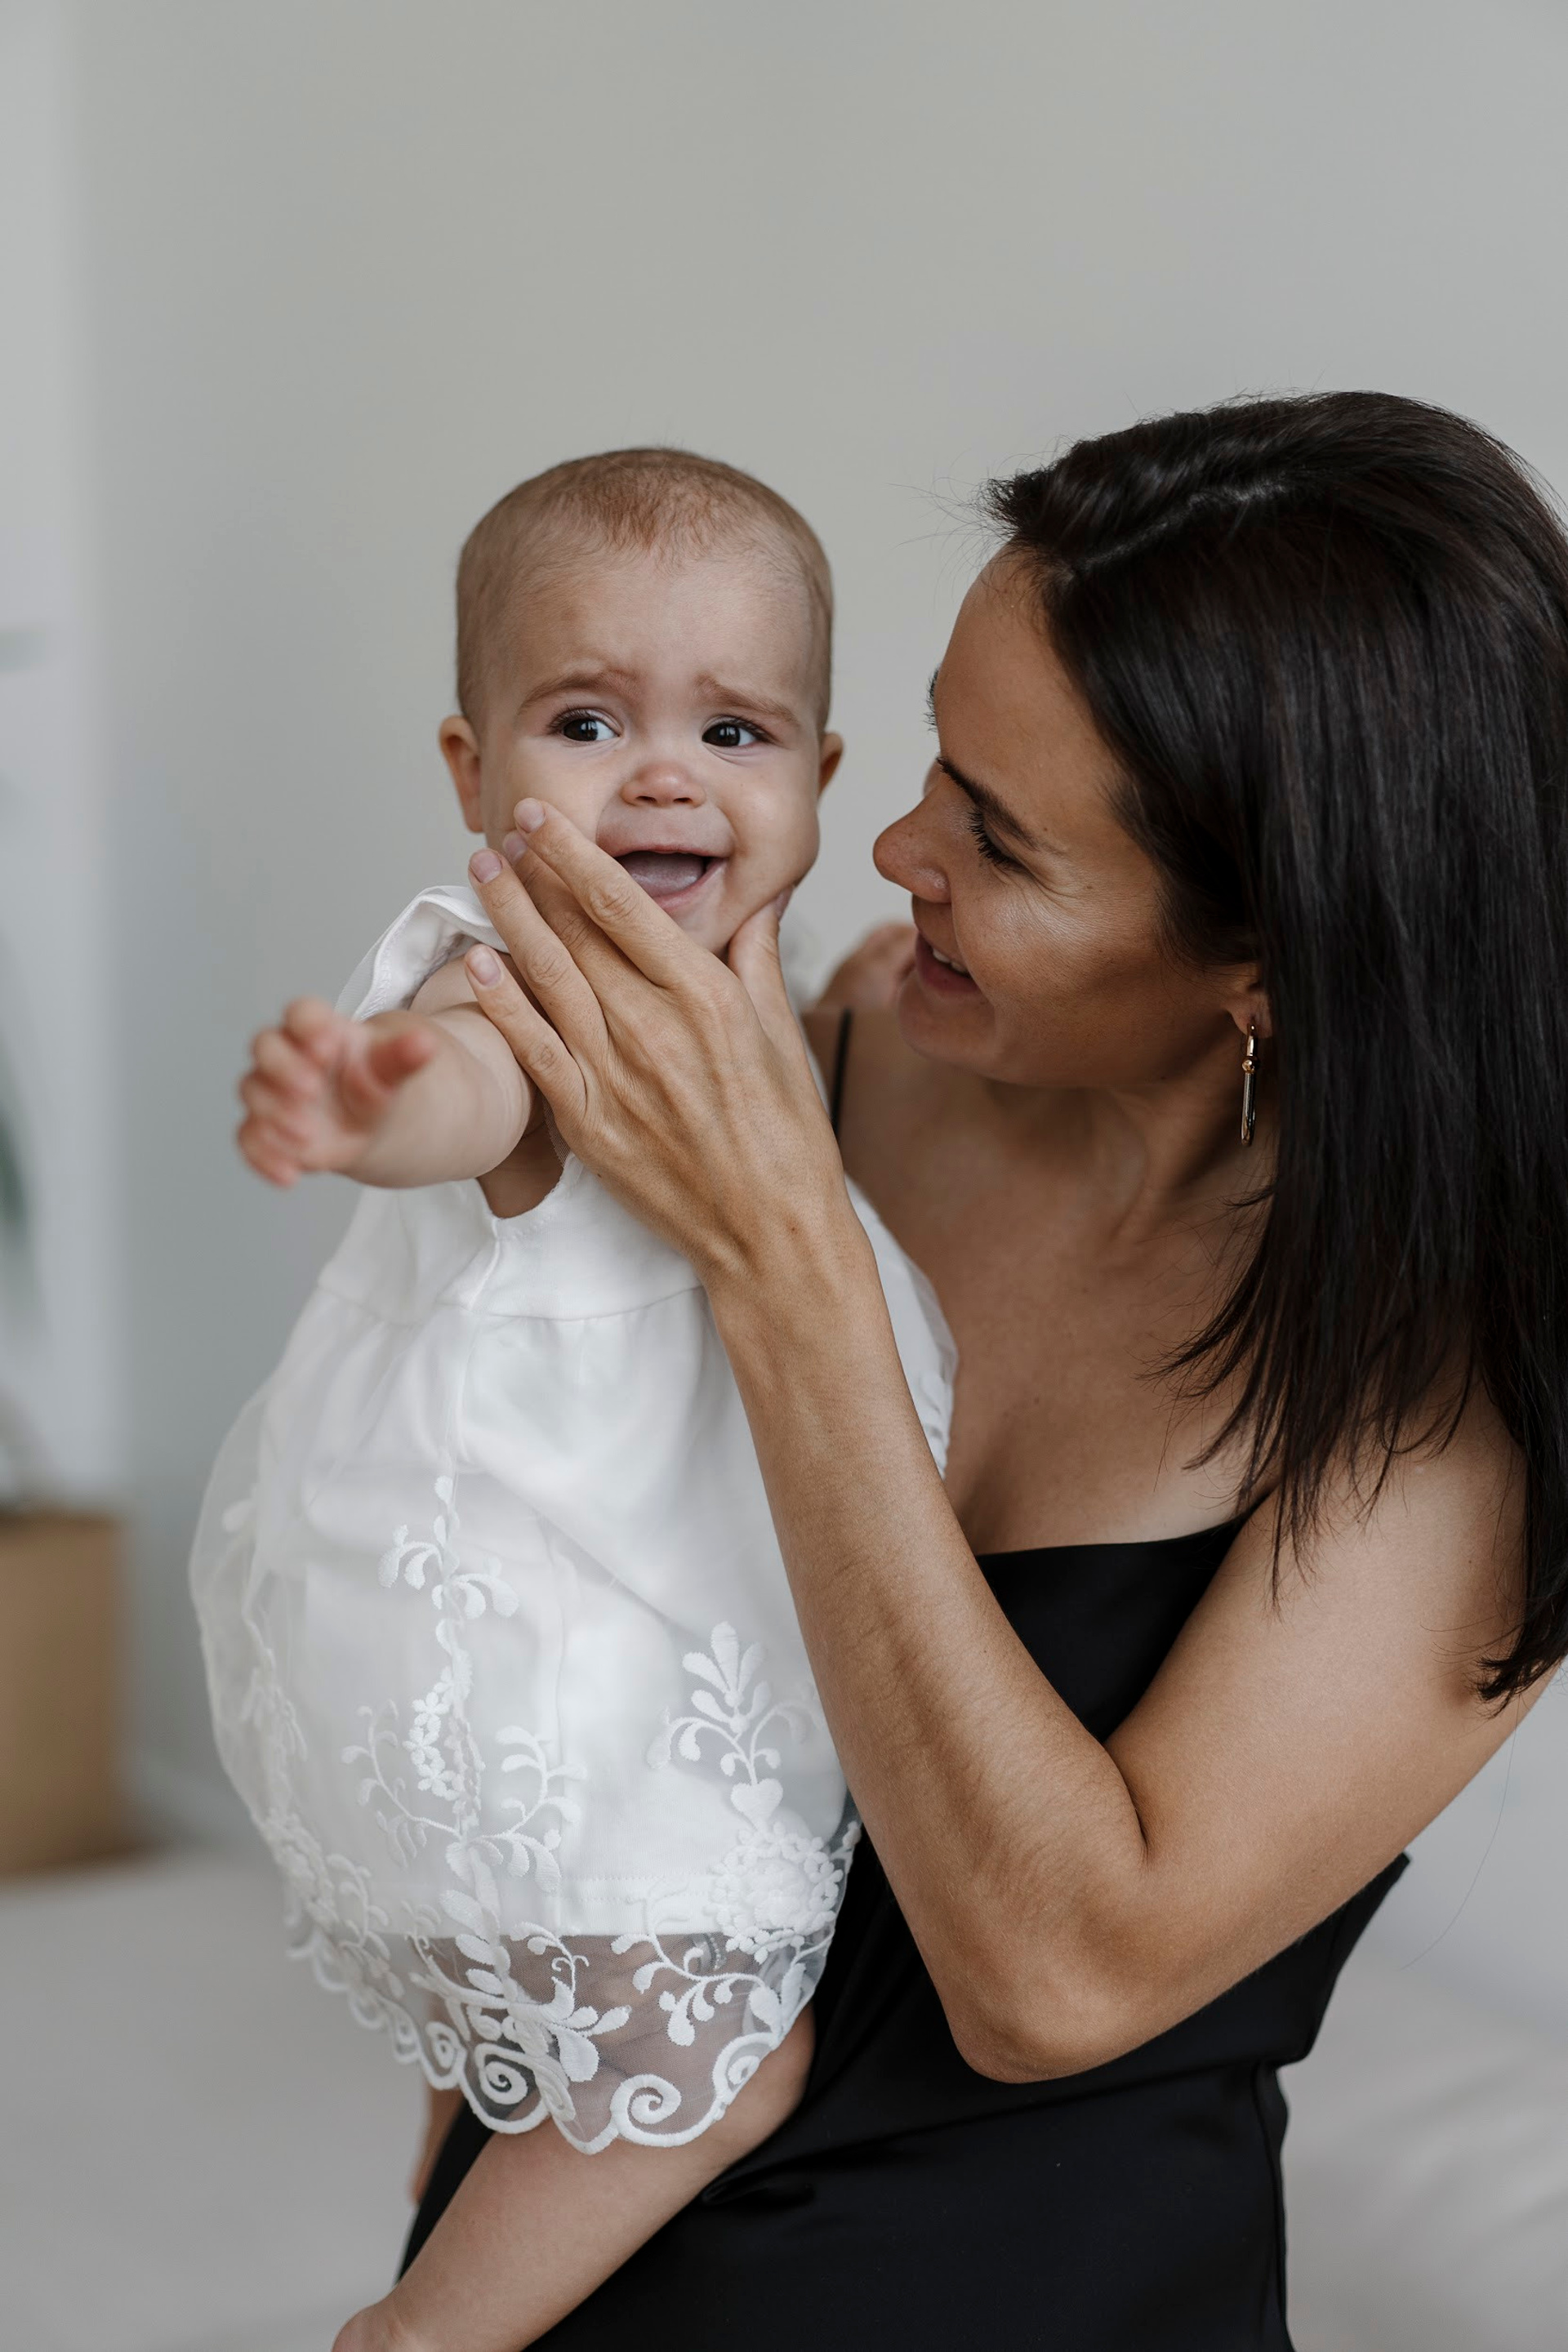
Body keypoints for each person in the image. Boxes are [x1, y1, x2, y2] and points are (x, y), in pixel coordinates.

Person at [435, 391, 1568, 2349]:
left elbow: (1052, 1984)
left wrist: (788, 1267)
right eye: (940, 761)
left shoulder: (1459, 1402)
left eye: (1000, 837)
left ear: (1271, 961)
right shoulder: (861, 1043)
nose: (892, 850)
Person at [188, 448, 954, 2352]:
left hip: (577, 1628)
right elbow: (477, 1092)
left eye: (734, 730)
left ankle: (445, 2201)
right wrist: (374, 1103)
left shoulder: (749, 987)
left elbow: (787, 1083)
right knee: (729, 2063)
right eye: (590, 722)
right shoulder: (522, 989)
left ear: (820, 779)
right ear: (474, 773)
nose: (667, 776)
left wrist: (851, 996)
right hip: (557, 1659)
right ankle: (420, 2336)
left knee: (524, 2041)